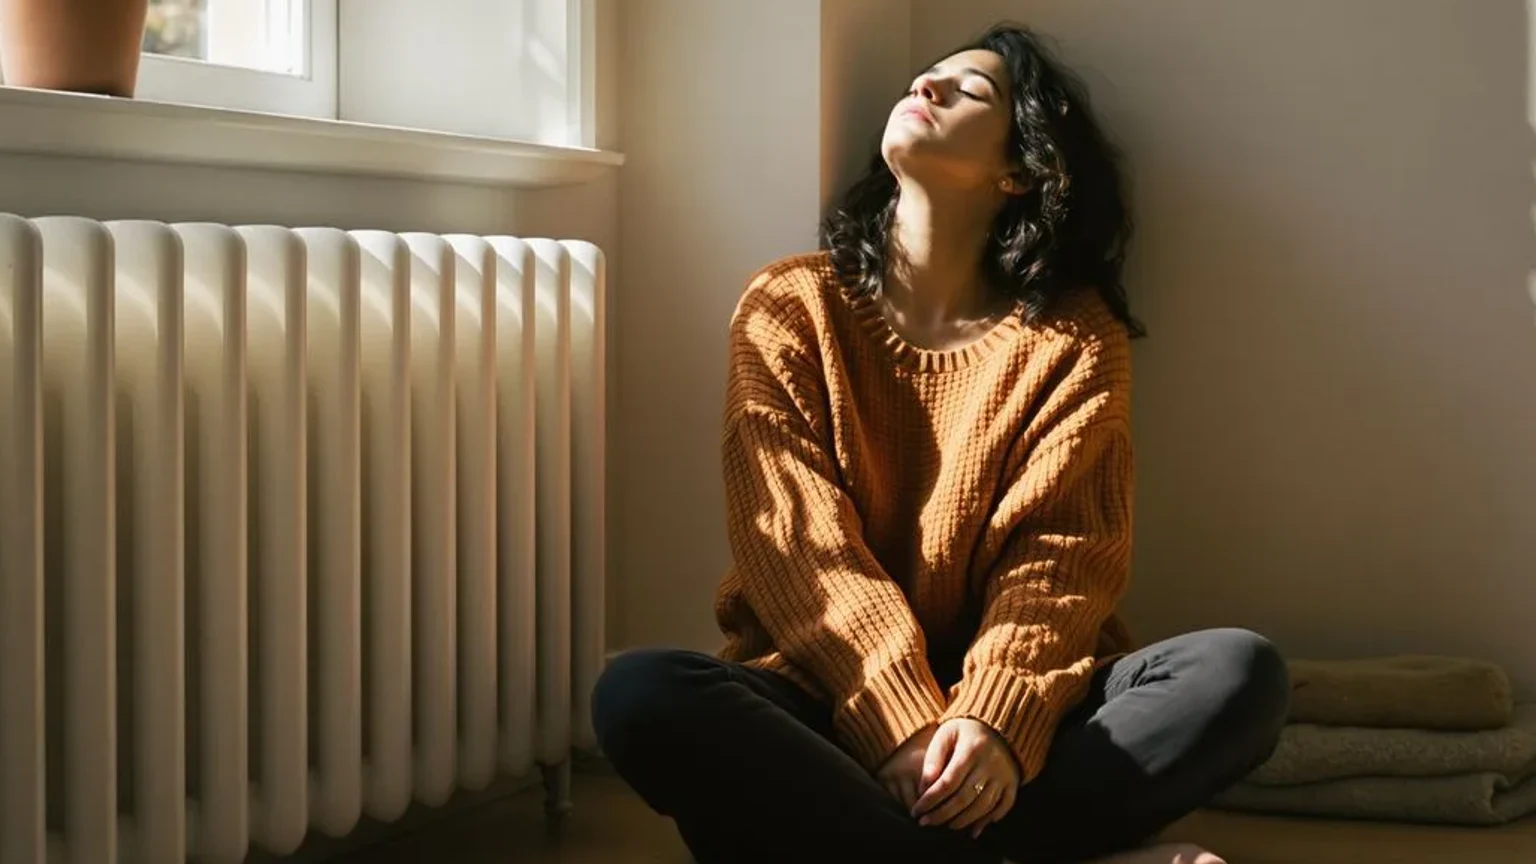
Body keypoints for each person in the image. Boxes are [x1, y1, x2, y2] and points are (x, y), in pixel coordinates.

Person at [592, 22, 1290, 864]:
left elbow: (1063, 560)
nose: (927, 88)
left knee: (1240, 676)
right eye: (924, 77)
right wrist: (899, 724)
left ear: (1020, 170)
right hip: (828, 706)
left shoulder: (1070, 339)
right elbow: (797, 553)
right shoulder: (789, 307)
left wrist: (991, 719)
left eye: (970, 89)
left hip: (1008, 740)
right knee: (642, 693)